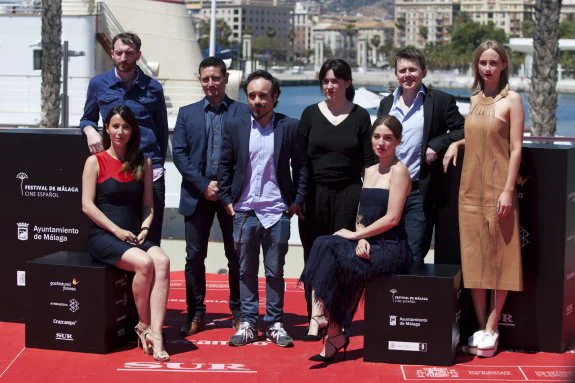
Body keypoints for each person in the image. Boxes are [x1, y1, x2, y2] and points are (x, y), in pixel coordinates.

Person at [301, 115, 412, 362]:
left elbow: (392, 219)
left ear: (398, 141)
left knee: (335, 256)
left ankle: (330, 328)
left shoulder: (400, 171)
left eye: (387, 138)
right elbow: (362, 215)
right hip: (370, 240)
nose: (381, 143)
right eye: (376, 137)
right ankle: (326, 322)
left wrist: (357, 235)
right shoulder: (369, 170)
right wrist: (362, 238)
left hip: (392, 246)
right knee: (322, 243)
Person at [443, 40, 524, 358]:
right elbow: (479, 134)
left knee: (501, 258)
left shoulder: (512, 100)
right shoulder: (475, 99)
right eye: (482, 62)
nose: (487, 67)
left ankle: (493, 326)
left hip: (498, 189)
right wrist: (458, 143)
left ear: (504, 65)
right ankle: (479, 326)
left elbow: (515, 146)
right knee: (474, 258)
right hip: (469, 191)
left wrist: (507, 190)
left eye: (493, 62)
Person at [217, 70, 308, 347]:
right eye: (252, 96)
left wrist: (296, 200)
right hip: (243, 212)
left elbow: (302, 166)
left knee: (274, 271)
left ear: (275, 97)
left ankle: (275, 322)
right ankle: (247, 322)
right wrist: (226, 199)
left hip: (276, 211)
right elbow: (224, 164)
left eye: (263, 96)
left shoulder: (289, 126)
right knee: (244, 270)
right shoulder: (235, 126)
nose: (257, 101)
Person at [81, 106, 170, 361]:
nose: (120, 131)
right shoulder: (94, 162)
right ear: (107, 129)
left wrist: (144, 228)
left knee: (162, 261)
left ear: (133, 131)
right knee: (144, 264)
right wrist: (117, 230)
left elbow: (149, 206)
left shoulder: (144, 162)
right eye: (115, 126)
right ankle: (144, 326)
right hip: (105, 236)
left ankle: (157, 332)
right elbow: (87, 205)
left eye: (126, 127)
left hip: (135, 235)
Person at [172, 56, 249, 336]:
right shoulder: (186, 113)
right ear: (200, 80)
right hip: (196, 195)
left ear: (226, 79)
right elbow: (179, 155)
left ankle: (240, 313)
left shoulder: (243, 113)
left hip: (233, 198)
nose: (211, 84)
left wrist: (225, 188)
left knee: (237, 256)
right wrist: (204, 184)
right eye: (206, 78)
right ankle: (195, 313)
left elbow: (247, 156)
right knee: (194, 257)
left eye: (216, 78)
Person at [298, 58, 377, 329]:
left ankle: (336, 319)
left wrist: (368, 206)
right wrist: (298, 198)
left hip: (349, 194)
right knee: (313, 254)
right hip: (314, 195)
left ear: (347, 83)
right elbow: (300, 161)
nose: (330, 86)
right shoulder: (309, 114)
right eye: (326, 81)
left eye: (335, 81)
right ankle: (314, 315)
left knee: (342, 256)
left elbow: (369, 164)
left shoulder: (360, 116)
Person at [377, 47, 465, 266]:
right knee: (388, 250)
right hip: (388, 190)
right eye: (402, 70)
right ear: (396, 74)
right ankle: (391, 299)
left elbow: (464, 129)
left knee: (414, 254)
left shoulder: (442, 101)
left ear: (423, 72)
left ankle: (409, 298)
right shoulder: (387, 104)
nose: (408, 75)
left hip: (419, 192)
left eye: (413, 69)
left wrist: (439, 144)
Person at [80, 32, 168, 246]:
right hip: (114, 172)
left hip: (149, 170)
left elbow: (162, 131)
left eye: (129, 53)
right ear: (112, 54)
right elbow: (87, 118)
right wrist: (90, 130)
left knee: (150, 238)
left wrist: (156, 164)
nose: (123, 58)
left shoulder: (153, 88)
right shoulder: (98, 84)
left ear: (138, 55)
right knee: (116, 235)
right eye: (119, 53)